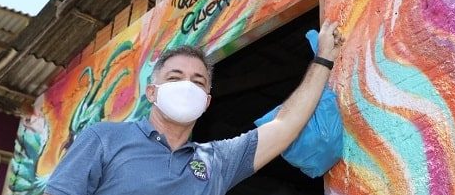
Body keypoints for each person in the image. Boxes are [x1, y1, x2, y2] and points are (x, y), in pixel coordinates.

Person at [45, 20, 344, 195]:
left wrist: (323, 60)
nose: (187, 85)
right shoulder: (103, 139)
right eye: (175, 77)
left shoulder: (217, 161)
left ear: (207, 101)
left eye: (198, 81)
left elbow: (285, 126)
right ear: (152, 92)